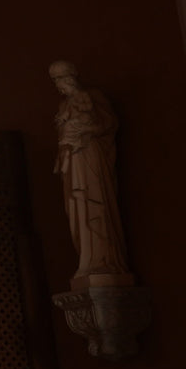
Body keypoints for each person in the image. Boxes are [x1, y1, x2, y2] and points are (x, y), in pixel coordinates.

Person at [49, 60, 130, 282]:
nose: (58, 85)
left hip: (88, 155)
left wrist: (84, 130)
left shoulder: (92, 97)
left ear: (70, 77)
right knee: (75, 206)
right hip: (71, 160)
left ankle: (103, 259)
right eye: (55, 80)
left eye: (59, 79)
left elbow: (108, 124)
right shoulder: (63, 106)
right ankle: (87, 259)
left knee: (94, 200)